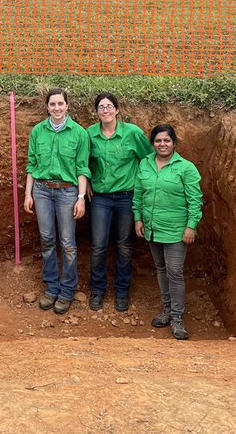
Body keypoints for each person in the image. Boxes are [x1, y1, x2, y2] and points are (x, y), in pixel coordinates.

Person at [86, 92, 154, 312]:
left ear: (117, 110)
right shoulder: (89, 135)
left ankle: (122, 292)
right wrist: (85, 182)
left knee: (124, 246)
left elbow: (148, 158)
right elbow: (82, 161)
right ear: (96, 112)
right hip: (101, 198)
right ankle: (97, 291)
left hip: (127, 197)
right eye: (101, 107)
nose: (105, 111)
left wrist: (143, 187)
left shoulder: (132, 133)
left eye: (109, 107)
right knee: (98, 245)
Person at [23, 88, 89, 314]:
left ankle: (67, 290)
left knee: (68, 243)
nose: (57, 108)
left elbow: (82, 168)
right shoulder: (38, 132)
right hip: (41, 191)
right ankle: (51, 286)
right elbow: (31, 165)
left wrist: (81, 198)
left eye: (61, 104)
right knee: (47, 239)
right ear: (47, 107)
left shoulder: (79, 134)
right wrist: (28, 194)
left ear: (67, 106)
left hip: (67, 192)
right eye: (52, 104)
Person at [133, 122, 202, 340]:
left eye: (166, 140)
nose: (162, 144)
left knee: (175, 272)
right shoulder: (144, 164)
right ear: (152, 143)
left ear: (174, 143)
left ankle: (178, 318)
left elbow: (195, 200)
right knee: (161, 269)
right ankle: (167, 309)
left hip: (176, 230)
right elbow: (138, 194)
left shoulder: (186, 168)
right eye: (158, 140)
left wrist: (191, 226)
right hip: (153, 228)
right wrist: (138, 219)